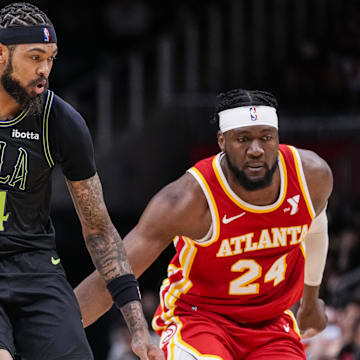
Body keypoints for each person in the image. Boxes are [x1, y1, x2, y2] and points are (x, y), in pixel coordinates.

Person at [75, 88, 333, 359]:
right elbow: (116, 272)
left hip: (271, 324)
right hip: (200, 320)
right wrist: (50, 328)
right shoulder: (187, 200)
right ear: (222, 140)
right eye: (242, 139)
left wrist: (311, 300)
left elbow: (316, 228)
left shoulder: (311, 176)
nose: (256, 150)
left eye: (266, 138)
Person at [0, 3, 163, 360]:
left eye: (52, 58)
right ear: (1, 55)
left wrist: (137, 326)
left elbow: (99, 230)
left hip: (35, 265)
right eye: (34, 57)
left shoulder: (61, 121)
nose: (45, 70)